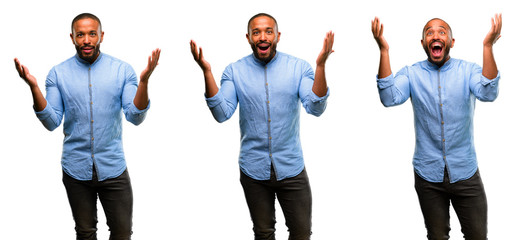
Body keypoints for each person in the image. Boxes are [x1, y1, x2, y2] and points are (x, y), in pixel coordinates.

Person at [14, 13, 161, 240]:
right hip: (75, 169)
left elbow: (135, 116)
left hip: (113, 167)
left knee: (122, 232)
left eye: (92, 34)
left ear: (101, 35)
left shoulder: (123, 71)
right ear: (71, 37)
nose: (86, 40)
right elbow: (51, 122)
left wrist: (144, 83)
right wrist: (33, 87)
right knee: (85, 233)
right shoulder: (57, 74)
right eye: (80, 34)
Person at [190, 13, 334, 240]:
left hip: (291, 167)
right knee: (263, 233)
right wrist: (207, 72)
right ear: (248, 37)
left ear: (278, 35)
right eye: (256, 32)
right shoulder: (234, 71)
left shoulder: (299, 68)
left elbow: (315, 107)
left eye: (268, 31)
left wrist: (321, 65)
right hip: (253, 169)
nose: (263, 37)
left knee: (301, 232)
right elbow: (221, 113)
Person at [371, 14, 502, 240]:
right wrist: (384, 51)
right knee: (437, 236)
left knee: (478, 235)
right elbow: (389, 97)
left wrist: (487, 46)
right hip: (427, 174)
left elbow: (488, 92)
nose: (435, 35)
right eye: (429, 32)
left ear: (451, 42)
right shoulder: (411, 73)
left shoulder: (468, 70)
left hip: (465, 172)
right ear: (423, 43)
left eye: (442, 31)